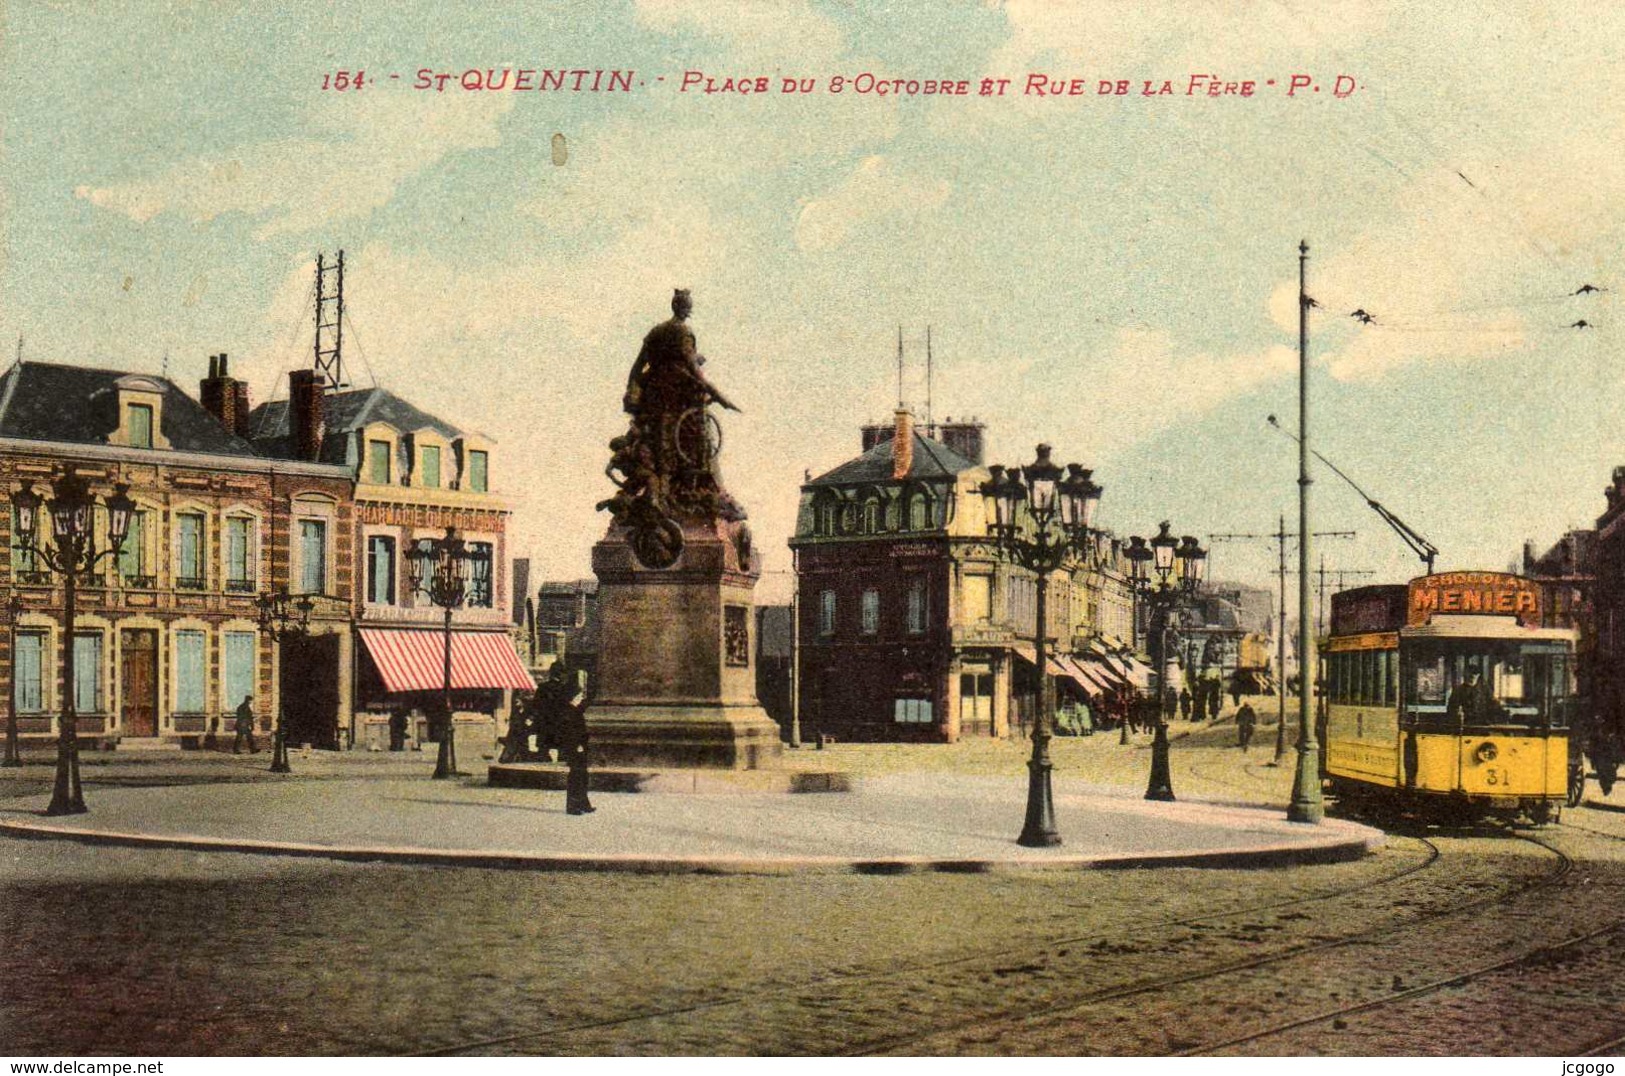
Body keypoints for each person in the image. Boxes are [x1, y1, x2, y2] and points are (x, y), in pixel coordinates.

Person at [556, 667, 595, 815]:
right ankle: (573, 806)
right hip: (575, 748)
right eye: (579, 695)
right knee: (576, 776)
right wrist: (577, 745)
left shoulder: (575, 710)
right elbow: (570, 732)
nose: (581, 698)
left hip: (580, 747)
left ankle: (584, 803)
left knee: (582, 775)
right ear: (572, 697)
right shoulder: (568, 712)